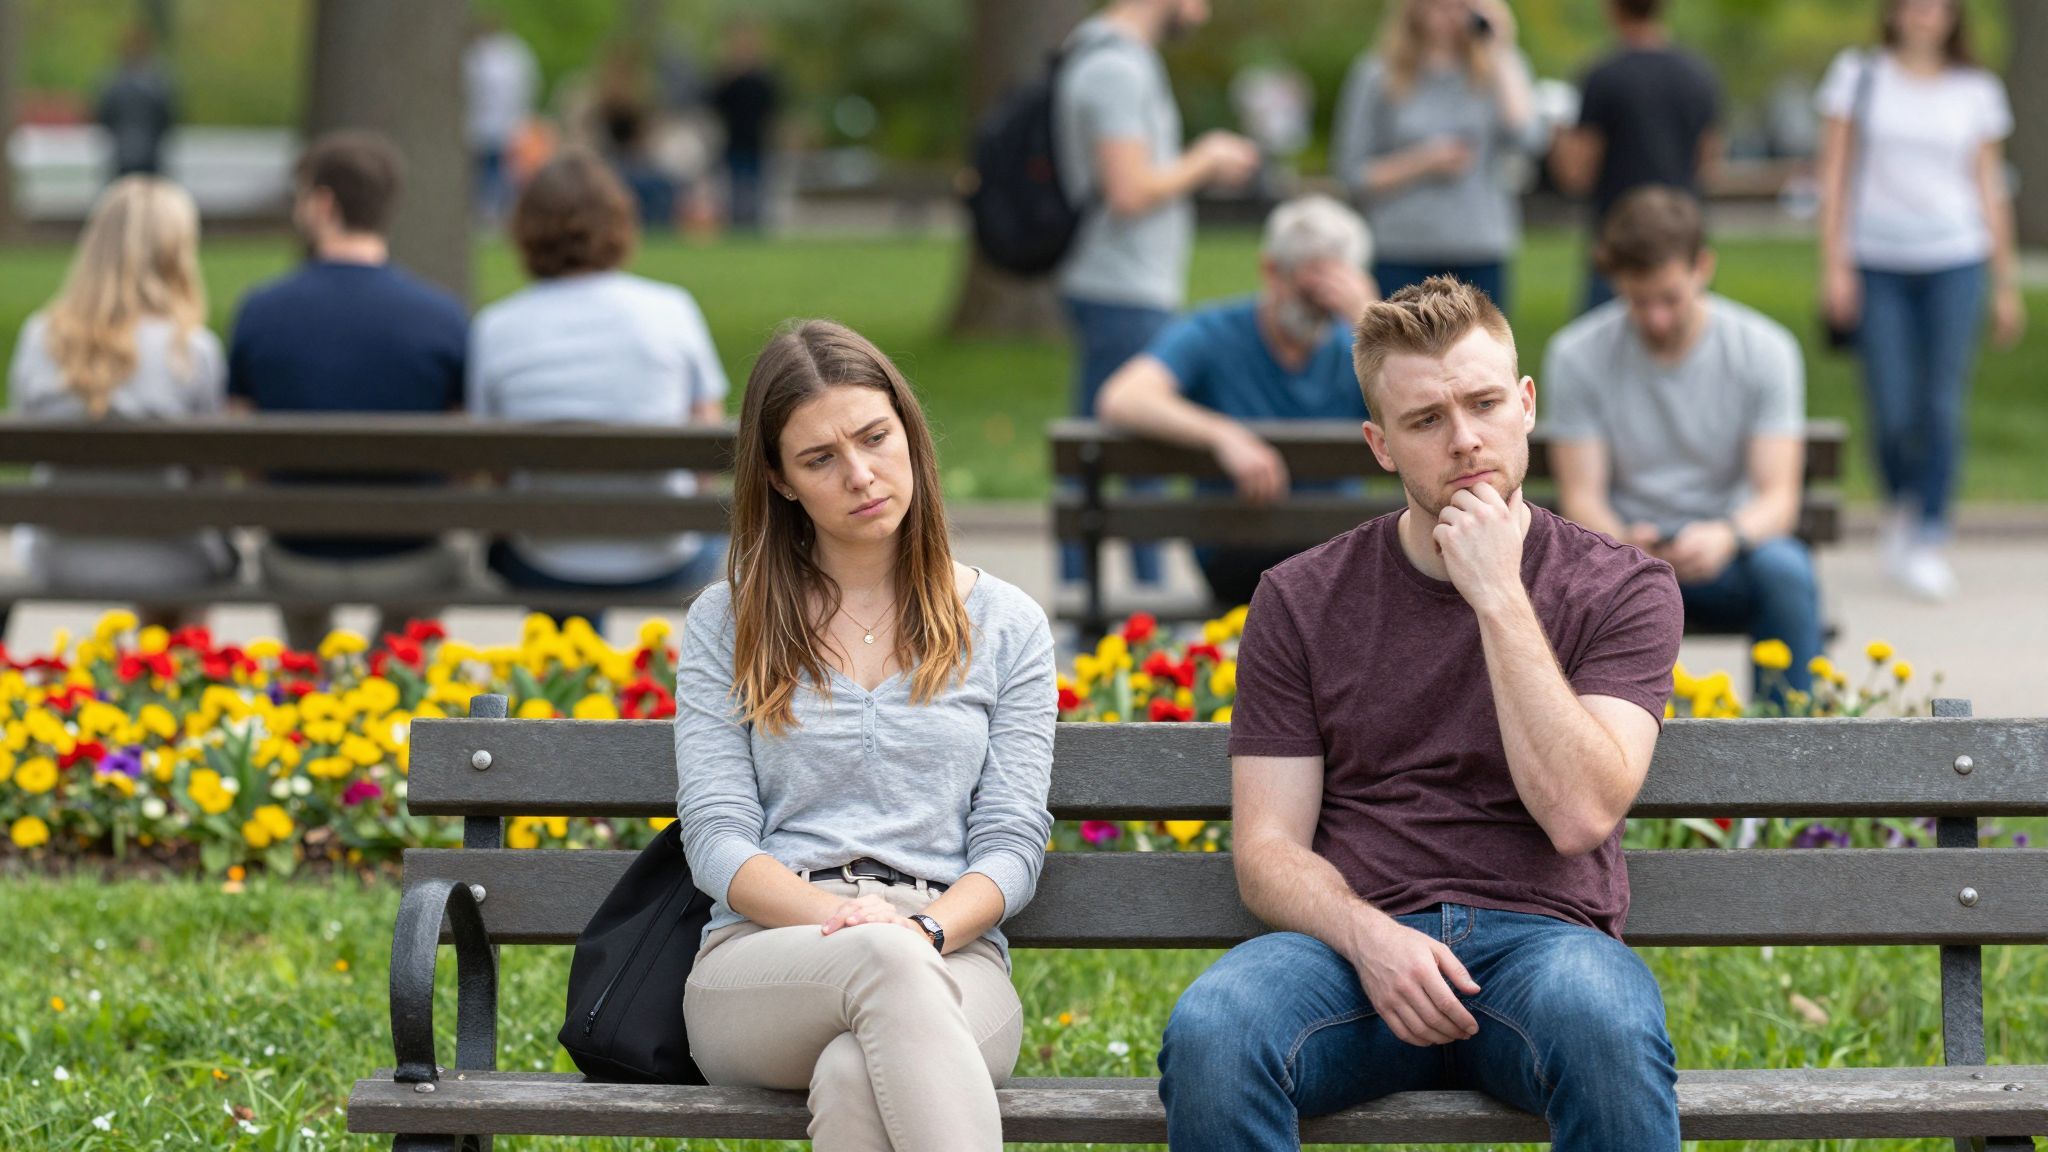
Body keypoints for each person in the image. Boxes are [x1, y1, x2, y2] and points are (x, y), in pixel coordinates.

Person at [1157, 277, 1684, 1150]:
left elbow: (1580, 813)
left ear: (1527, 404)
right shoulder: (1300, 598)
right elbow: (1266, 852)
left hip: (1544, 948)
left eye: (1485, 404)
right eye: (1426, 419)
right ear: (1381, 444)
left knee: (1608, 1027)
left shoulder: (1621, 588)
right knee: (1216, 1029)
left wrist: (1498, 594)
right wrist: (1369, 939)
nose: (1465, 438)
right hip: (1350, 956)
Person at [676, 319, 1056, 1151]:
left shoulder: (1006, 624)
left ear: (909, 434)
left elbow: (1011, 842)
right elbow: (717, 840)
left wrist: (924, 929)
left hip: (954, 954)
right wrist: (852, 922)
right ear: (779, 480)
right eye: (820, 459)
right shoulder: (728, 621)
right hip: (768, 954)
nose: (860, 474)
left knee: (857, 1073)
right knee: (885, 965)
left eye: (875, 438)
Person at [1545, 187, 1819, 700]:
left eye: (1670, 298)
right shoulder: (1576, 356)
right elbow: (1583, 498)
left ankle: (1791, 737)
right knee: (1565, 585)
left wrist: (1726, 536)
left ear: (1703, 268)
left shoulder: (1765, 351)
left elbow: (1778, 499)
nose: (1656, 319)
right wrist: (1623, 544)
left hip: (1729, 554)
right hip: (1621, 558)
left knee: (1785, 570)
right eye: (1638, 300)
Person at [226, 131, 468, 652]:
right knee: (450, 563)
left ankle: (312, 671)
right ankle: (387, 669)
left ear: (323, 204)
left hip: (296, 555)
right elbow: (463, 456)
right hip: (409, 556)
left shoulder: (261, 312)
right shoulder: (441, 316)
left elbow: (243, 447)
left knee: (296, 593)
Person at [468, 149, 728, 629]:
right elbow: (707, 453)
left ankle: (572, 662)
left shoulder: (495, 327)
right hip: (664, 557)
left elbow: (493, 465)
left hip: (545, 560)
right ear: (620, 224)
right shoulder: (671, 309)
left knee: (533, 542)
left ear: (524, 230)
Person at [1817, 0, 2024, 602]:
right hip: (1877, 260)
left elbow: (1990, 187)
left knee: (1941, 401)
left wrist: (2005, 283)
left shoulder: (1976, 89)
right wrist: (1834, 266)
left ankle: (1929, 528)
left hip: (1956, 258)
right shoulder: (1858, 74)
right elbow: (1834, 175)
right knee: (1891, 403)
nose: (1923, 13)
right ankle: (1902, 503)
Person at [1053, 0, 1261, 588]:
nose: (1205, 10)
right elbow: (1129, 190)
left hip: (1125, 283)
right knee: (1118, 450)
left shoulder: (1119, 58)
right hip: (1118, 286)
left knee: (1119, 451)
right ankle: (1110, 603)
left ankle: (1122, 601)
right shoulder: (1114, 68)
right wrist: (1207, 159)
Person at [1095, 195, 1376, 606]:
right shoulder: (1215, 333)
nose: (1320, 312)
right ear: (1271, 271)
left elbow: (1423, 408)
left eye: (1332, 299)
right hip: (1244, 561)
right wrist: (1223, 435)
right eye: (1310, 293)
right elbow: (1123, 397)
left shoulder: (1359, 346)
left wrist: (1371, 324)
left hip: (1334, 560)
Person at [6, 176, 229, 625]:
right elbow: (210, 474)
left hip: (61, 554)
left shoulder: (39, 337)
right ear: (177, 253)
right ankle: (174, 665)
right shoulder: (192, 350)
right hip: (170, 560)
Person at [1332, 0, 1542, 313]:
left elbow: (1528, 138)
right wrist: (1423, 161)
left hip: (1479, 246)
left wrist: (1502, 48)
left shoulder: (1497, 68)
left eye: (1460, 6)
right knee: (1401, 342)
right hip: (1402, 247)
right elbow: (1351, 172)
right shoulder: (1377, 72)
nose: (1448, 12)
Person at [1549, 0, 1721, 313]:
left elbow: (1577, 175)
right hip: (1681, 251)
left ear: (1612, 9)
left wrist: (1557, 134)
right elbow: (1708, 162)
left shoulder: (1603, 77)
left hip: (1618, 249)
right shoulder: (1698, 74)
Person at [464, 15, 540, 222]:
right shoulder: (517, 53)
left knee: (494, 173)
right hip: (503, 126)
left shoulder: (483, 54)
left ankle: (490, 212)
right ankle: (494, 212)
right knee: (498, 173)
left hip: (491, 126)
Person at [708, 20, 781, 233]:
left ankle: (755, 228)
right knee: (734, 192)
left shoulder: (764, 78)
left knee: (758, 191)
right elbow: (713, 104)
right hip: (733, 142)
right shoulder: (727, 78)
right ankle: (736, 228)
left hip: (758, 142)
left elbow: (773, 109)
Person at [95, 25, 177, 181]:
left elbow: (103, 117)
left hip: (122, 158)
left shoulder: (113, 82)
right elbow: (168, 118)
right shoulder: (159, 83)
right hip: (150, 158)